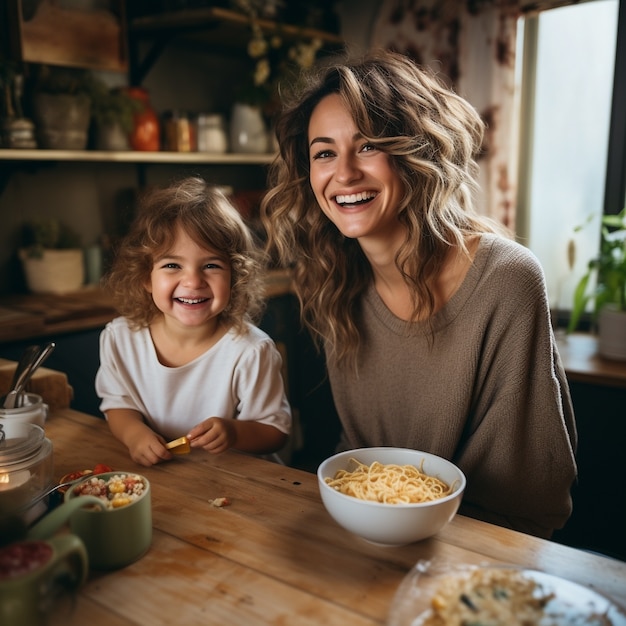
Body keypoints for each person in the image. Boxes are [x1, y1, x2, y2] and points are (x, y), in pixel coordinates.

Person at [261, 49, 577, 538]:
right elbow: (357, 466)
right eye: (324, 152)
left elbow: (533, 502)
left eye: (367, 146)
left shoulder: (507, 279)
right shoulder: (333, 283)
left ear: (415, 152)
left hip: (483, 555)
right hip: (368, 540)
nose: (343, 173)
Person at [96, 177, 291, 466]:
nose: (193, 281)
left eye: (211, 265)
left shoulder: (251, 351)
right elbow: (118, 404)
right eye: (172, 265)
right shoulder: (120, 338)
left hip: (239, 483)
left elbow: (275, 432)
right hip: (168, 479)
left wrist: (234, 432)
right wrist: (135, 436)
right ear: (145, 277)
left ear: (234, 278)